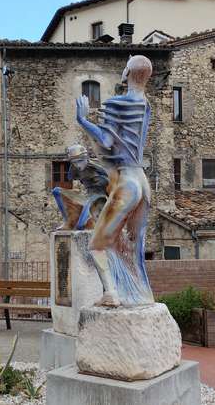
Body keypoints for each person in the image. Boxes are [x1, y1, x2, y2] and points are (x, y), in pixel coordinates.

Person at [75, 55, 154, 307]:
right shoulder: (146, 104)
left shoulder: (117, 103)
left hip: (126, 182)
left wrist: (83, 120)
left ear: (126, 73)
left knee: (96, 244)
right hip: (143, 182)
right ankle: (142, 296)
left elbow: (107, 142)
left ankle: (111, 292)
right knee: (135, 249)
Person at [52, 144, 109, 230]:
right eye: (74, 162)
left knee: (81, 225)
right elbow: (70, 177)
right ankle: (67, 221)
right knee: (56, 191)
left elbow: (114, 178)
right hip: (88, 197)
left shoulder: (97, 166)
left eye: (80, 161)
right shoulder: (74, 170)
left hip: (100, 198)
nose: (78, 165)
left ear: (86, 158)